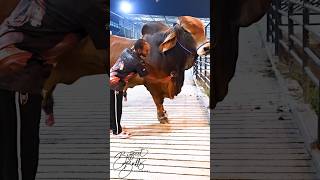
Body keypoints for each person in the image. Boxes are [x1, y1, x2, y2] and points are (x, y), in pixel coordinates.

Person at [0, 0, 106, 179]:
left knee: (13, 137)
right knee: (22, 137)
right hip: (19, 73)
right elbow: (104, 54)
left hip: (24, 68)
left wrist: (48, 99)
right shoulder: (90, 7)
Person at [110, 39, 171, 138]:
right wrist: (163, 80)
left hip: (111, 79)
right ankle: (117, 132)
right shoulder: (136, 62)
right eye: (146, 51)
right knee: (117, 109)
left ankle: (112, 127)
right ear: (139, 50)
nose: (148, 53)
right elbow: (149, 79)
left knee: (112, 107)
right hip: (115, 85)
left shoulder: (127, 51)